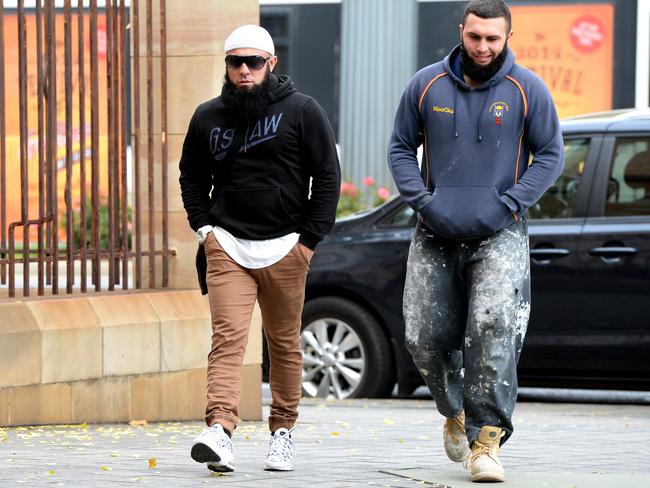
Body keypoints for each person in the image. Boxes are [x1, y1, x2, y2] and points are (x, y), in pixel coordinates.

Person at [388, 0, 563, 483]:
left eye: (493, 38)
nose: (483, 46)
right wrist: (423, 202)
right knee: (423, 338)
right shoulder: (425, 84)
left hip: (499, 232)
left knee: (493, 330)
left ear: (508, 37)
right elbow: (401, 147)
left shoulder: (527, 89)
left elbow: (550, 154)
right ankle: (454, 409)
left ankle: (487, 443)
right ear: (461, 32)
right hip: (433, 230)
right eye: (475, 37)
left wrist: (509, 204)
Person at [179, 24, 340, 473]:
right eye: (236, 62)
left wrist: (308, 241)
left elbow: (327, 176)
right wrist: (205, 230)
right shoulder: (207, 116)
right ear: (226, 66)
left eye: (254, 62)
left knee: (283, 343)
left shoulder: (303, 111)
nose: (244, 71)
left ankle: (282, 433)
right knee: (228, 340)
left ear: (272, 64)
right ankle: (220, 431)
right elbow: (190, 176)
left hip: (287, 246)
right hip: (228, 244)